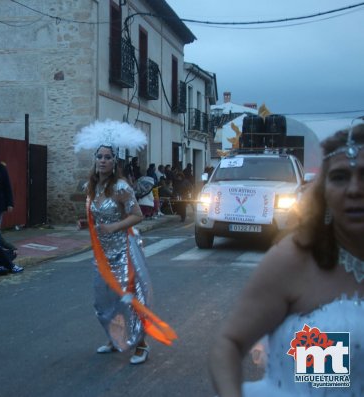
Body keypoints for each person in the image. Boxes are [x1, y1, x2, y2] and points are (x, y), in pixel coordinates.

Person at [209, 123, 364, 397]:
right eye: (340, 177)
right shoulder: (297, 260)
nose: (354, 189)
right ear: (323, 191)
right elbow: (229, 344)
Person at [74, 119, 177, 365]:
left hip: (123, 252)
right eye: (99, 156)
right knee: (103, 302)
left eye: (107, 157)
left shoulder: (120, 187)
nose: (102, 160)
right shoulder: (93, 187)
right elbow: (97, 215)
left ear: (115, 162)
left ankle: (142, 344)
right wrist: (86, 224)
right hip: (102, 255)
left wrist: (113, 227)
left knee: (130, 300)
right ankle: (116, 338)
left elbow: (137, 215)